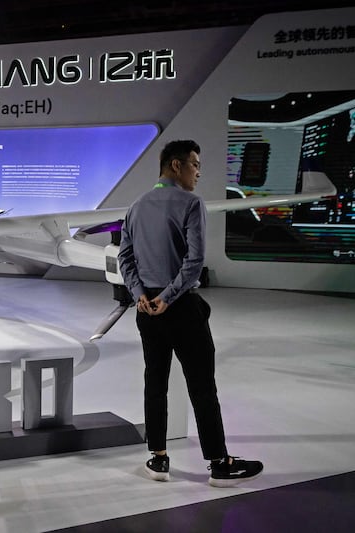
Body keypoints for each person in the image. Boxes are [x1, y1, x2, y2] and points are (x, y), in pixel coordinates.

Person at [117, 139, 263, 487]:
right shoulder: (191, 203)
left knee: (155, 383)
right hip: (180, 308)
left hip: (146, 310)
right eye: (195, 164)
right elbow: (194, 261)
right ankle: (219, 463)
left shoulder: (136, 206)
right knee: (201, 387)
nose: (199, 172)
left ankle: (157, 457)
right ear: (176, 166)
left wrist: (141, 296)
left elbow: (125, 258)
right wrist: (168, 297)